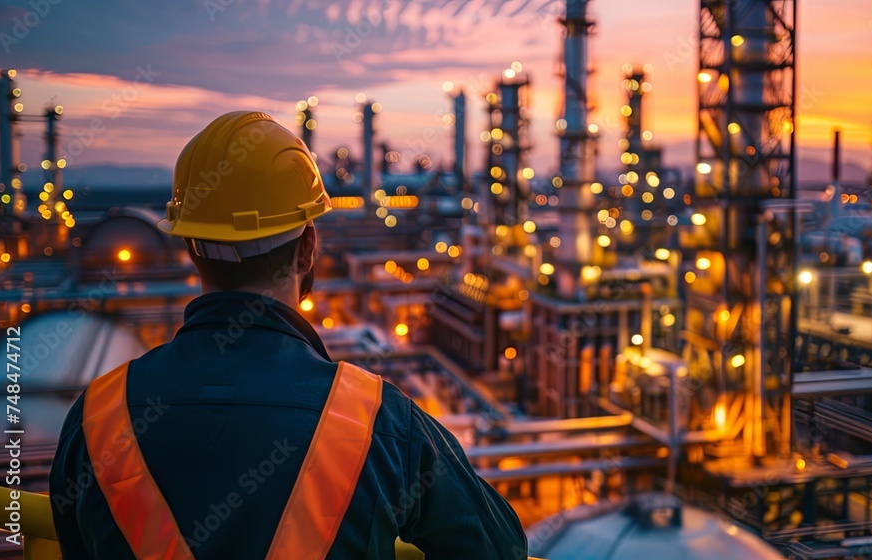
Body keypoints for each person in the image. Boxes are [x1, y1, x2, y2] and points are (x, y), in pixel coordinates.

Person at [49, 111, 528, 559]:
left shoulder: (97, 417)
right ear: (308, 250)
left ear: (191, 250)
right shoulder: (376, 420)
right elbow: (499, 546)